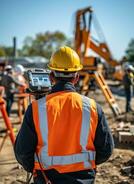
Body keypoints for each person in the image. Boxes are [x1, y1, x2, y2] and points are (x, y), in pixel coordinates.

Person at [14, 46, 114, 184]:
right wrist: (86, 167)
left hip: (46, 179)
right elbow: (106, 149)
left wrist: (37, 171)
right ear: (77, 77)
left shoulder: (36, 109)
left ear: (51, 76)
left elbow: (22, 152)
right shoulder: (93, 108)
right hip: (84, 180)